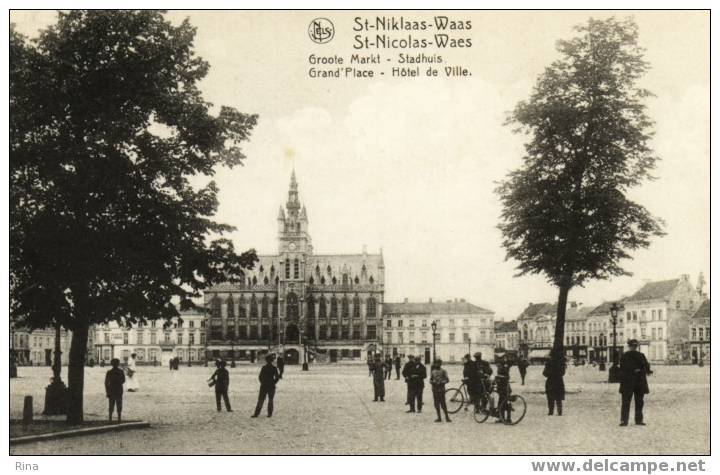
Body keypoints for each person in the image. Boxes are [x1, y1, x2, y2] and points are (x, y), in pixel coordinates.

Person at [619, 339, 652, 426]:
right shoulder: (641, 355)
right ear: (636, 346)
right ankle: (638, 420)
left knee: (626, 401)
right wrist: (646, 371)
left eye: (634, 346)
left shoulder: (625, 356)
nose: (634, 347)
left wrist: (630, 371)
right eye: (634, 346)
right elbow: (646, 367)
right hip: (639, 381)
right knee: (639, 401)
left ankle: (624, 421)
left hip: (628, 382)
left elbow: (621, 368)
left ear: (629, 346)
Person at [543, 350, 566, 416]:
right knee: (558, 398)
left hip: (550, 382)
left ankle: (551, 411)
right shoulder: (560, 362)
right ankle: (559, 412)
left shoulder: (549, 362)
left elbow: (544, 373)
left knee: (550, 397)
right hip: (559, 382)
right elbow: (563, 372)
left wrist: (550, 374)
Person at [105, 358, 126, 423]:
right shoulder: (121, 371)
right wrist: (119, 382)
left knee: (111, 405)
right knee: (118, 405)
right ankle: (119, 419)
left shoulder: (109, 372)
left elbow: (106, 383)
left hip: (112, 390)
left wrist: (107, 391)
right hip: (118, 390)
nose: (115, 365)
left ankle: (110, 419)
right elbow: (123, 380)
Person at [495, 357, 512, 422]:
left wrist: (498, 377)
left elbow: (505, 377)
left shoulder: (503, 368)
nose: (497, 365)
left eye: (498, 364)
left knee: (505, 403)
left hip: (504, 388)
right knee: (503, 403)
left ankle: (506, 418)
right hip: (503, 387)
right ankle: (503, 418)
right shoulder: (503, 367)